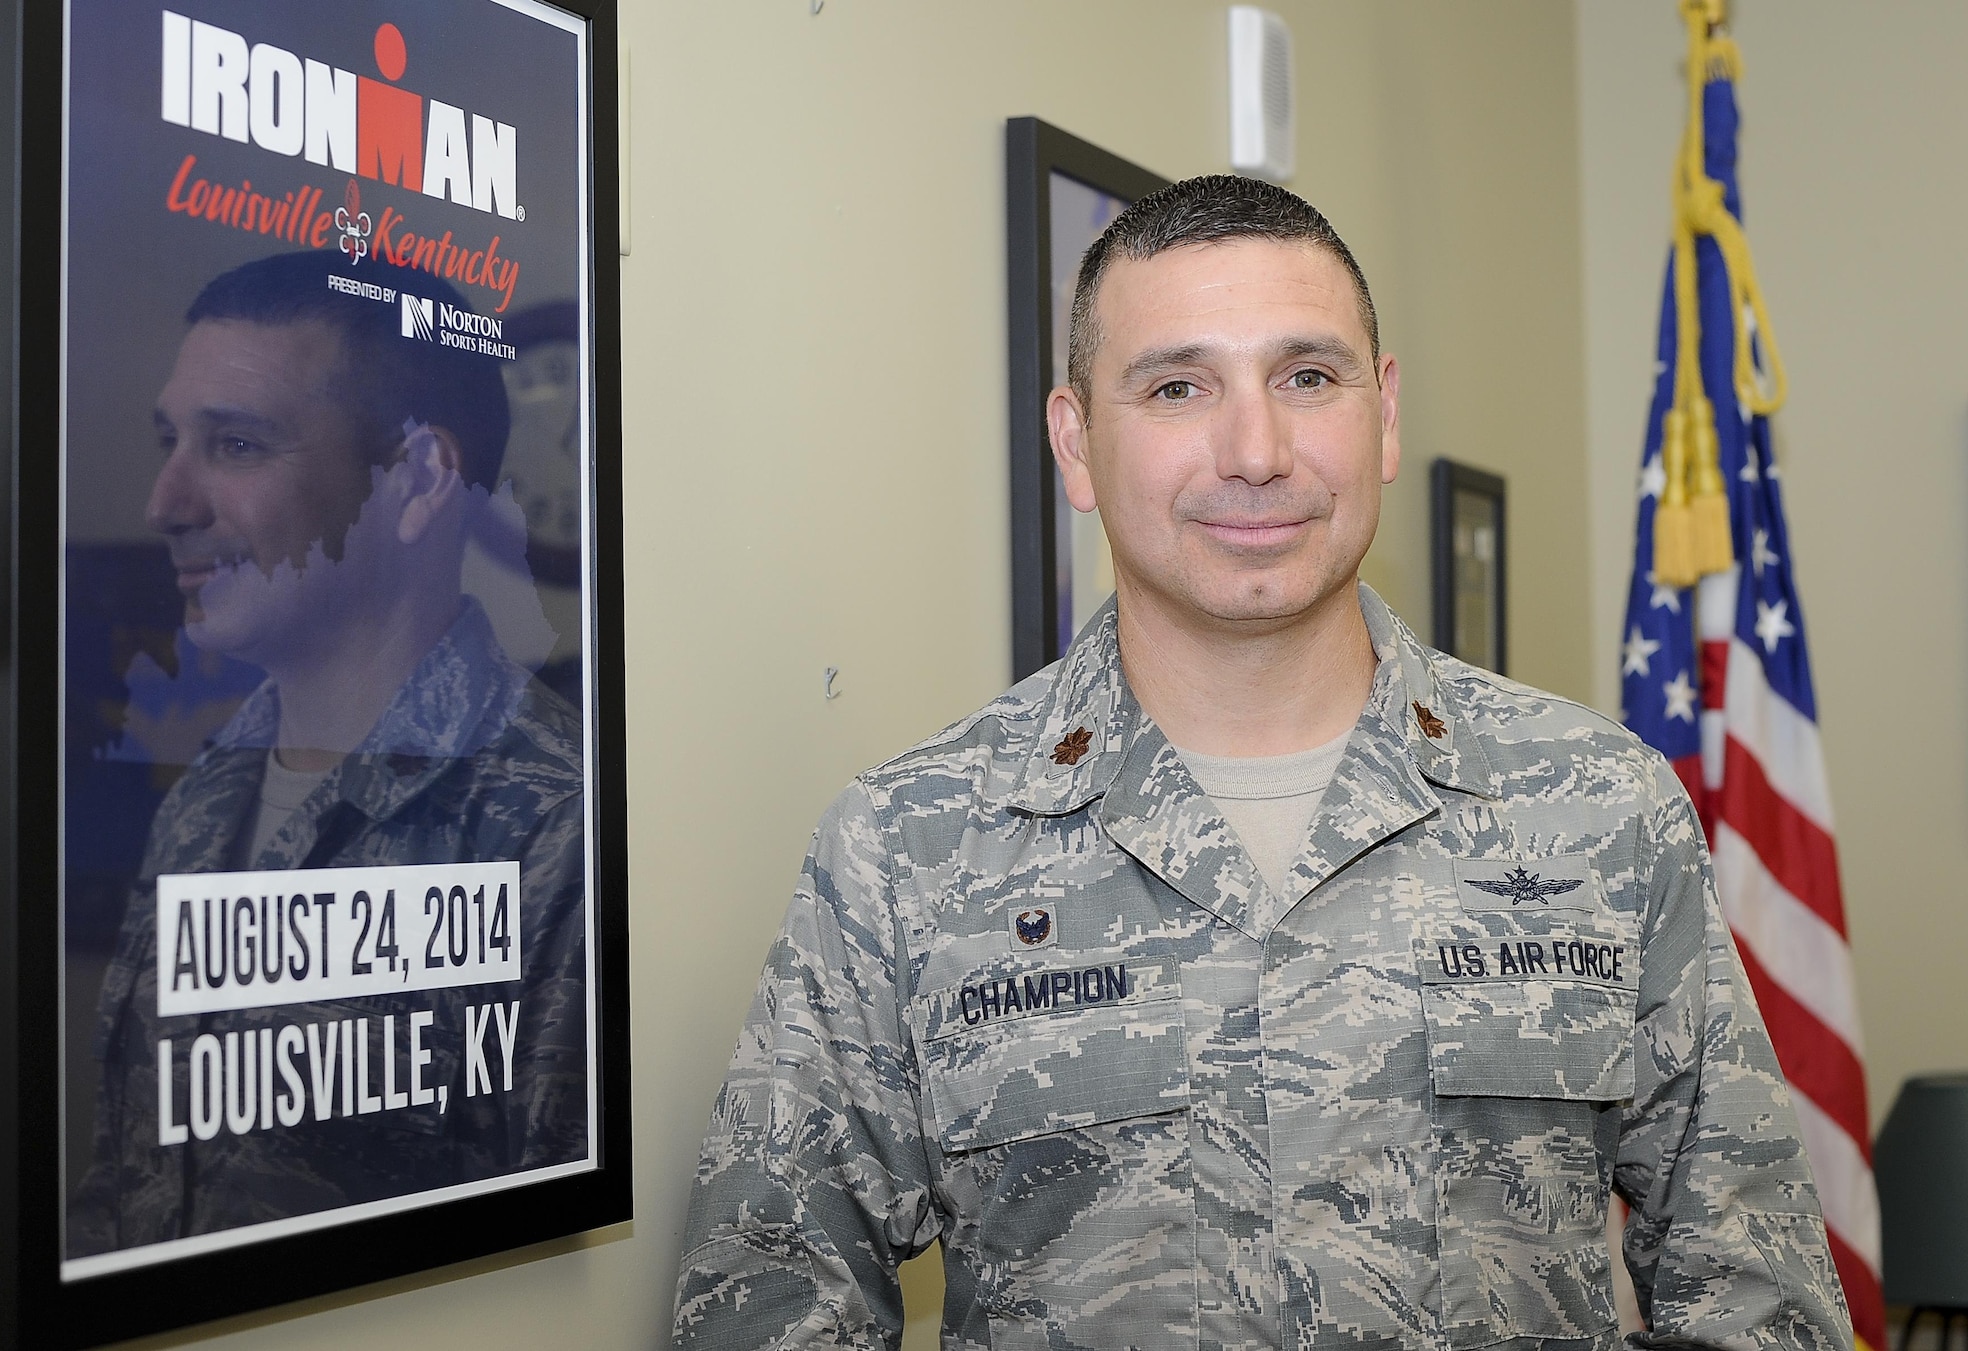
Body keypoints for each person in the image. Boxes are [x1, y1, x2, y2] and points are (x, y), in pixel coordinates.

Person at [672, 177, 1852, 1350]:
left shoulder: (1599, 809)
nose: (1255, 449)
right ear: (1075, 444)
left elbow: (1759, 1299)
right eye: (1177, 386)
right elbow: (766, 1301)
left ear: (1382, 416)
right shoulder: (911, 846)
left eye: (1306, 377)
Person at [69, 251, 589, 1258]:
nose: (165, 502)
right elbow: (122, 1186)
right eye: (171, 440)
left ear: (416, 478)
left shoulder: (557, 824)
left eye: (234, 443)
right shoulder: (207, 793)